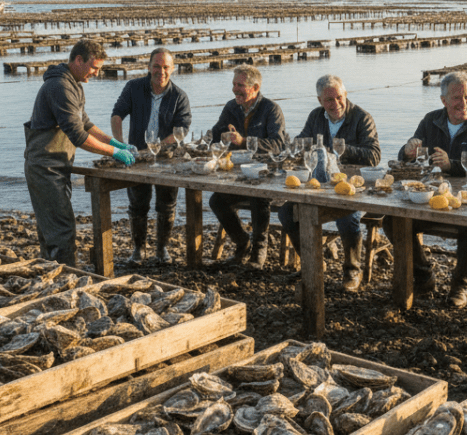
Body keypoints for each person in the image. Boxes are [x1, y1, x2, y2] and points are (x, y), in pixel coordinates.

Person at [24, 39, 135, 267]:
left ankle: (51, 272)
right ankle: (63, 279)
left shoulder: (73, 84)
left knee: (52, 229)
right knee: (61, 231)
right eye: (94, 67)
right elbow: (78, 136)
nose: (96, 73)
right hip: (45, 168)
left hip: (56, 167)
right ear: (78, 60)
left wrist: (116, 142)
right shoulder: (60, 87)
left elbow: (85, 124)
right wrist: (114, 152)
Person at [391, 71, 467, 307]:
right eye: (457, 98)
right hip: (431, 198)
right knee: (393, 221)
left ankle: (460, 286)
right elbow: (408, 155)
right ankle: (423, 275)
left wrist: (453, 165)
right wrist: (407, 151)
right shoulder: (430, 120)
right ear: (444, 101)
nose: (464, 103)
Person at [278, 74, 381, 291]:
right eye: (329, 100)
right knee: (286, 212)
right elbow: (303, 139)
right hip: (320, 185)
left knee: (347, 215)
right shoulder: (316, 116)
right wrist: (295, 146)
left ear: (345, 95)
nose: (336, 104)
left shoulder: (362, 117)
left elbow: (374, 156)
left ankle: (352, 270)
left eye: (339, 98)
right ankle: (312, 262)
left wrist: (339, 149)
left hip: (354, 187)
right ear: (320, 101)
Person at [110, 48, 192, 265]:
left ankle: (162, 249)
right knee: (137, 204)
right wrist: (119, 146)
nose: (161, 72)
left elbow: (182, 129)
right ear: (148, 67)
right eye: (157, 66)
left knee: (167, 205)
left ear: (173, 69)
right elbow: (117, 114)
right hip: (136, 157)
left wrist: (157, 146)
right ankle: (138, 250)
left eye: (166, 67)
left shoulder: (179, 96)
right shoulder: (133, 88)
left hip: (168, 158)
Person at [208, 65, 286, 268]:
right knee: (216, 200)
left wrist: (244, 141)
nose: (235, 90)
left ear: (255, 87)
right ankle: (242, 242)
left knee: (257, 195)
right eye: (234, 84)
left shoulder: (271, 109)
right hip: (238, 176)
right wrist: (218, 138)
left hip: (268, 178)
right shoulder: (231, 107)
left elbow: (278, 146)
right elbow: (214, 136)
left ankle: (259, 249)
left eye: (240, 85)